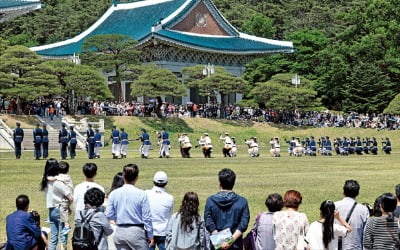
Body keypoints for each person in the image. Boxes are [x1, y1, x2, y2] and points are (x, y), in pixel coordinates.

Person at [105, 164, 154, 249]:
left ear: (123, 176)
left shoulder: (114, 194)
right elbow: (147, 217)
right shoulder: (141, 194)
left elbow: (109, 214)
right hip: (136, 231)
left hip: (120, 231)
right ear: (136, 178)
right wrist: (150, 234)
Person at [204, 168, 250, 250]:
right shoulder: (242, 202)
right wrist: (230, 241)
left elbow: (209, 223)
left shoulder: (210, 201)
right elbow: (243, 224)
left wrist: (220, 241)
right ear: (233, 183)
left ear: (219, 183)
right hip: (235, 244)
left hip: (217, 245)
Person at [40, 158, 73, 250]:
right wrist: (68, 206)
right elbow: (70, 197)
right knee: (63, 236)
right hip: (60, 209)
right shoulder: (58, 182)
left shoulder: (45, 181)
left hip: (51, 210)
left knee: (53, 237)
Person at [334, 180, 369, 250]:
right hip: (356, 247)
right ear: (358, 193)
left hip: (336, 246)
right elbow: (366, 234)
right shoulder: (364, 210)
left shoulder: (335, 206)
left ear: (343, 192)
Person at [146, 171, 174, 250]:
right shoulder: (169, 198)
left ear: (153, 181)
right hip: (163, 231)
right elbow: (170, 214)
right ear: (166, 183)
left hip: (149, 230)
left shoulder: (146, 194)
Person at [49, 161, 74, 236]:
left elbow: (49, 178)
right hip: (69, 196)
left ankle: (67, 225)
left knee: (63, 211)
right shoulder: (68, 176)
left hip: (67, 196)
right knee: (65, 209)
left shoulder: (60, 177)